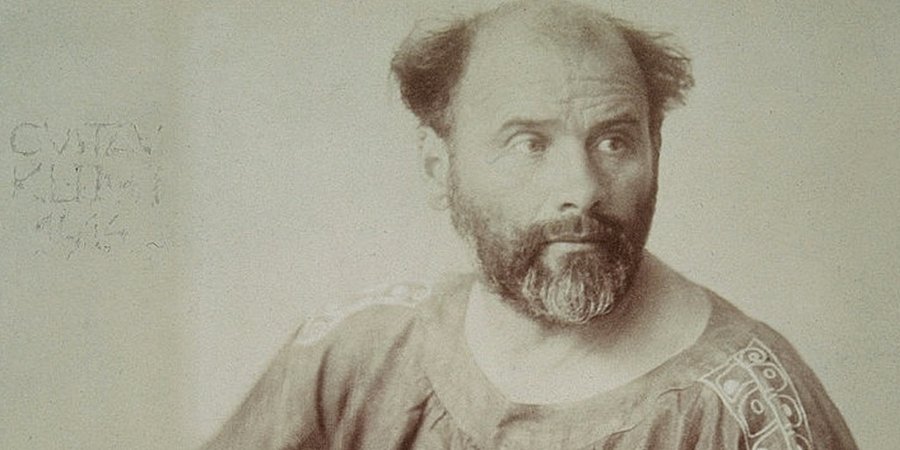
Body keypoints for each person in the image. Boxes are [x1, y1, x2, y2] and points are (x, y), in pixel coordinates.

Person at [202, 1, 857, 448]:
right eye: (529, 143)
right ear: (438, 166)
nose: (582, 190)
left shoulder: (751, 414)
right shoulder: (352, 359)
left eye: (614, 142)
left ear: (656, 151)